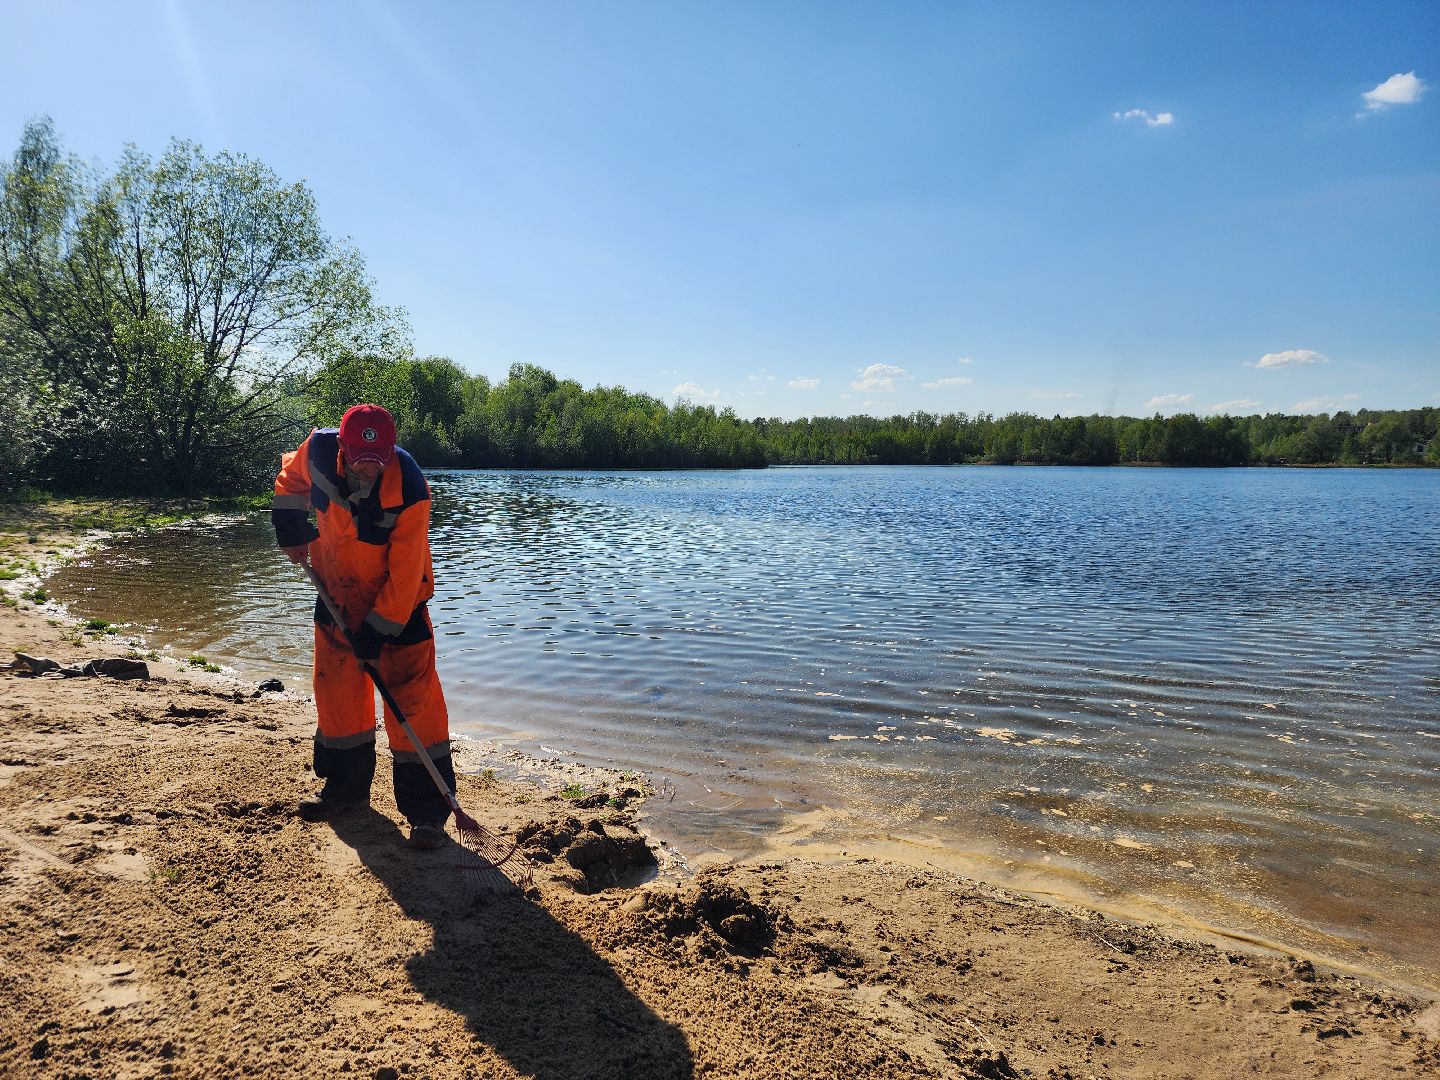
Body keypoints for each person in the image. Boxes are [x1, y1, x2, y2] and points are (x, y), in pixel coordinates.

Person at [271, 403, 454, 850]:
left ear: (390, 451)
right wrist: (291, 530)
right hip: (336, 595)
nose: (367, 467)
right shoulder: (315, 450)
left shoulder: (411, 488)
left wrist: (376, 633)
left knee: (413, 705)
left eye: (378, 457)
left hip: (400, 607)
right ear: (342, 449)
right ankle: (344, 790)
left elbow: (407, 573)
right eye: (358, 457)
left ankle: (428, 813)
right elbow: (290, 484)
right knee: (337, 694)